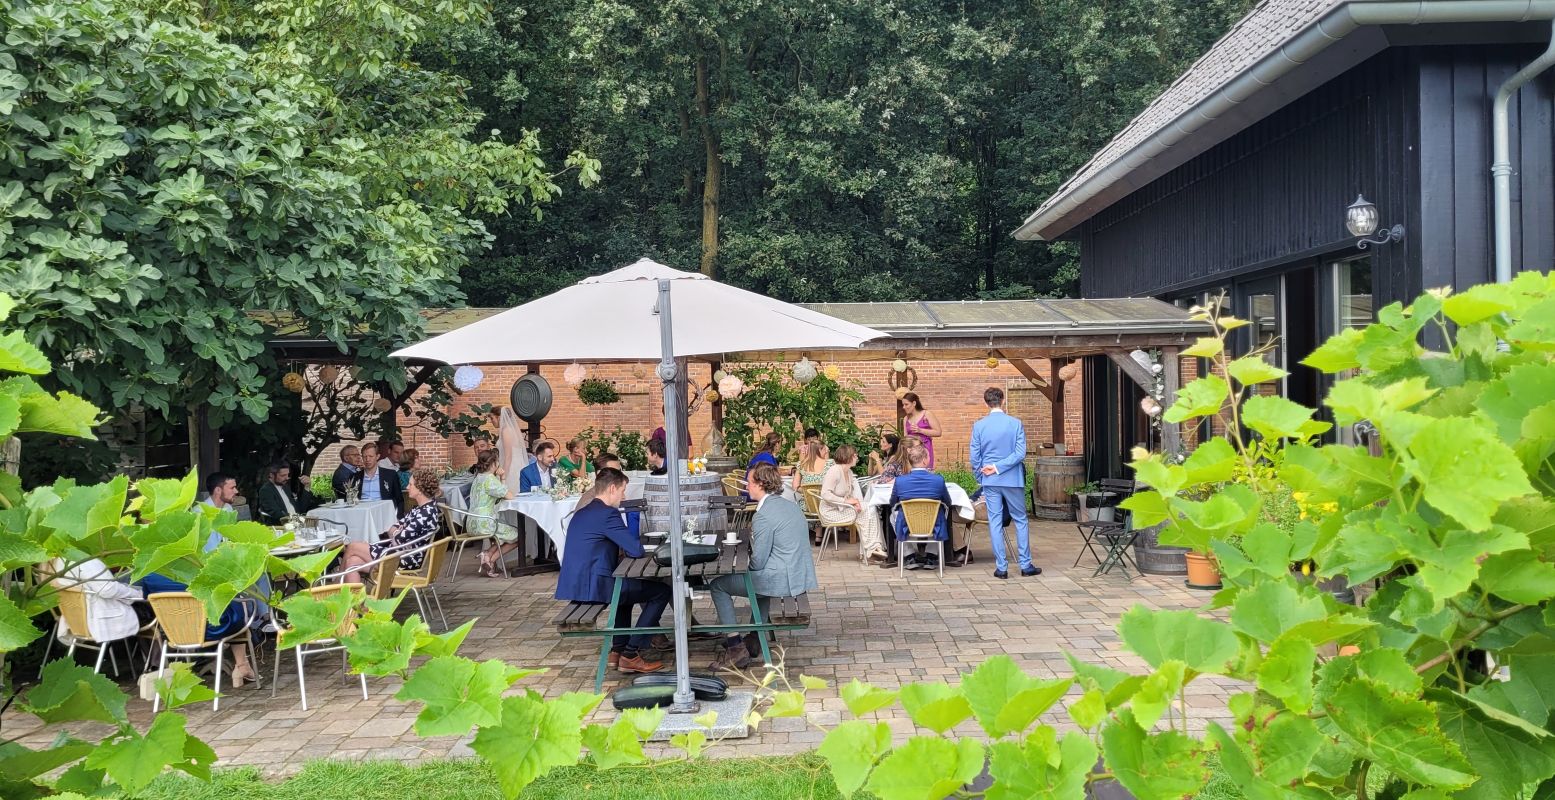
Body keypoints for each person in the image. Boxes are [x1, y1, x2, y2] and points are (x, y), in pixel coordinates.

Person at [555, 468, 668, 674]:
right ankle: (631, 654)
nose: (624, 496)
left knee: (626, 594)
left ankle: (617, 650)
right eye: (623, 491)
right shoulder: (607, 514)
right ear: (612, 488)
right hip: (594, 586)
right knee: (661, 592)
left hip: (578, 584)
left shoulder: (584, 511)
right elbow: (635, 550)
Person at [708, 463, 817, 669]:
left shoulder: (763, 515)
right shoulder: (789, 504)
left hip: (780, 578)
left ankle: (735, 648)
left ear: (760, 484)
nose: (746, 486)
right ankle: (754, 637)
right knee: (759, 581)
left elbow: (758, 561)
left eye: (749, 482)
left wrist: (740, 563)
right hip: (796, 574)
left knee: (718, 585)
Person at [137, 571, 257, 687]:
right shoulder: (198, 569)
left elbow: (147, 600)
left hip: (175, 631)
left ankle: (241, 666)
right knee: (238, 607)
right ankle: (242, 666)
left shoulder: (149, 575)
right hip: (212, 630)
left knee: (233, 610)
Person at [971, 387, 1040, 579]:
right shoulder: (1015, 423)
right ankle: (1025, 565)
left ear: (986, 402)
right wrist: (999, 467)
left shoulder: (979, 426)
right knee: (1020, 519)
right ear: (1003, 400)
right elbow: (1020, 453)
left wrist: (983, 475)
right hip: (1012, 478)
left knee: (995, 521)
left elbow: (975, 457)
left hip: (990, 479)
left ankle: (1001, 567)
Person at [338, 468, 446, 582]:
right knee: (352, 562)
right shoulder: (422, 509)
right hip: (398, 553)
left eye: (410, 484)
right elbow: (393, 528)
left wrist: (397, 534)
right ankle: (355, 599)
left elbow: (398, 539)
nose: (407, 487)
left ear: (419, 489)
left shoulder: (425, 513)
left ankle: (336, 585)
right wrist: (397, 532)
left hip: (402, 559)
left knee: (352, 546)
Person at [42, 555, 147, 649]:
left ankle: (153, 660)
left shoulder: (53, 564)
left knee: (138, 576)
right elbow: (107, 589)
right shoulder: (79, 558)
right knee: (151, 573)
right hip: (105, 617)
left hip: (80, 621)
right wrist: (140, 594)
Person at [887, 442, 952, 570]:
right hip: (933, 523)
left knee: (893, 516)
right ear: (924, 461)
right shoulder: (938, 480)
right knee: (941, 513)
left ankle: (909, 555)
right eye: (928, 456)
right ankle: (931, 556)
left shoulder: (900, 481)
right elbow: (948, 502)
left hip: (908, 523)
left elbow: (892, 503)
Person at [820, 446, 882, 561]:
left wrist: (856, 502)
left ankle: (873, 549)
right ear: (847, 457)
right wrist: (846, 501)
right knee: (867, 512)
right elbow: (825, 494)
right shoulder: (834, 470)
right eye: (855, 455)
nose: (857, 457)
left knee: (870, 508)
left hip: (842, 509)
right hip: (830, 512)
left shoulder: (848, 472)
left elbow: (849, 495)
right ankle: (871, 551)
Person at [466, 449, 514, 578]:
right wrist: (503, 477)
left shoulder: (478, 478)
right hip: (485, 523)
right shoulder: (490, 480)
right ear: (493, 463)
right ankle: (489, 559)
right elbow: (509, 496)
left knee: (503, 534)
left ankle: (487, 554)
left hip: (471, 523)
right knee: (518, 536)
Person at [356, 443, 404, 514]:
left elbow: (399, 499)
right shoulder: (355, 477)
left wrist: (398, 519)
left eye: (371, 456)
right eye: (364, 456)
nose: (367, 459)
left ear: (377, 456)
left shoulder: (390, 475)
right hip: (361, 513)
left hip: (383, 512)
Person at [898, 392, 942, 469]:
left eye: (906, 404)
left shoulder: (927, 414)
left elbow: (938, 432)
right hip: (911, 451)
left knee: (926, 471)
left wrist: (920, 430)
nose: (904, 407)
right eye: (903, 405)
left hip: (925, 449)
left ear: (914, 403)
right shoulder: (905, 419)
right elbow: (905, 438)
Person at [492, 406, 529, 497]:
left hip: (512, 467)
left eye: (492, 418)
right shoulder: (510, 429)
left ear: (499, 417)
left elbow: (508, 456)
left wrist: (503, 475)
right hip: (515, 463)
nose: (491, 421)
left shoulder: (506, 431)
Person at [744, 432, 782, 498]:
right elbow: (773, 474)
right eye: (780, 443)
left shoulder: (767, 455)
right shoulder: (765, 457)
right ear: (776, 444)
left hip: (754, 487)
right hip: (753, 491)